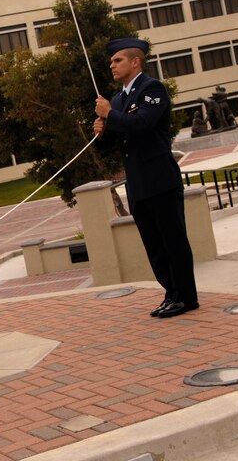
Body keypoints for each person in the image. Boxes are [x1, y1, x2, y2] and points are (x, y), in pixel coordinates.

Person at [93, 38, 199, 318]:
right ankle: (171, 294)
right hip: (138, 184)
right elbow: (113, 143)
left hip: (160, 179)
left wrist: (111, 115)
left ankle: (186, 297)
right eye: (112, 61)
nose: (111, 65)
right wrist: (101, 131)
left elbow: (142, 125)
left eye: (118, 60)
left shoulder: (152, 89)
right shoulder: (117, 99)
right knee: (154, 245)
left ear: (135, 61)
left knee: (173, 240)